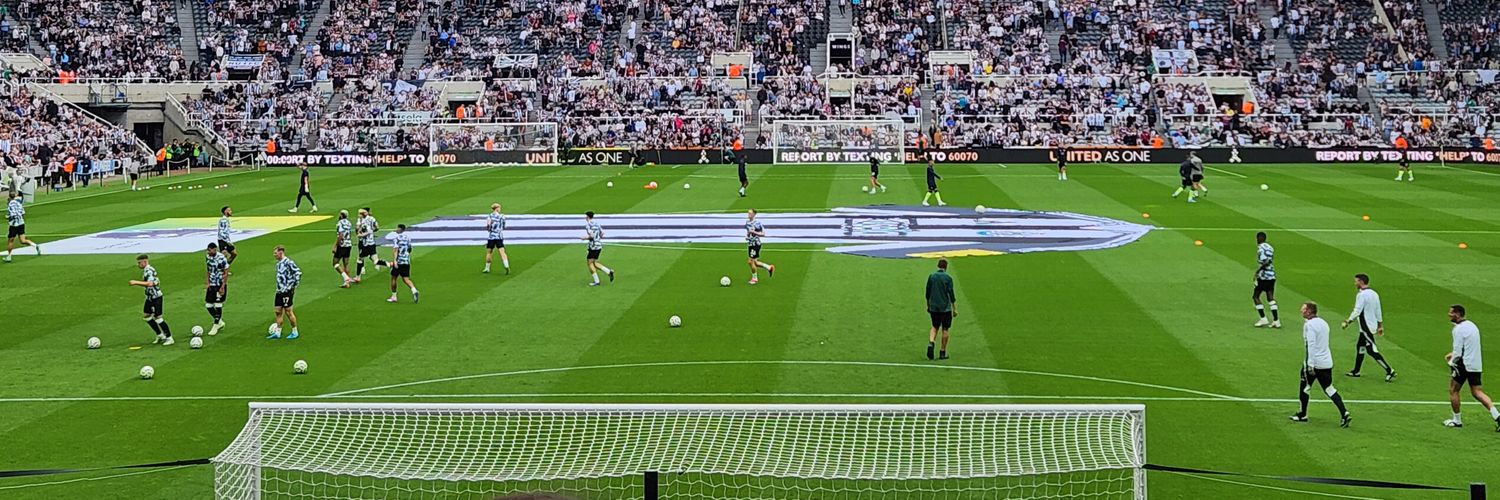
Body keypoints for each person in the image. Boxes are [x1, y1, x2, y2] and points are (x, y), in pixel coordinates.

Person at [1289, 302, 1353, 427]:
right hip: (1326, 363)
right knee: (1329, 389)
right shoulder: (1324, 323)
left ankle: (1303, 414)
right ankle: (1344, 413)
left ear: (1309, 311)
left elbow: (1311, 345)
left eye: (1303, 309)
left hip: (1314, 363)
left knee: (1305, 388)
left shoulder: (1309, 325)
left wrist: (1310, 364)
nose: (1301, 311)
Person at [1444, 305, 1499, 429]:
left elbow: (1458, 352)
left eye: (1451, 313)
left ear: (1458, 314)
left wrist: (1451, 361)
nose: (1449, 314)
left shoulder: (1458, 329)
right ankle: (1497, 416)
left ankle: (1457, 420)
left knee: (1453, 390)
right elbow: (1468, 346)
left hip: (1463, 364)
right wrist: (1453, 354)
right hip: (1475, 364)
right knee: (1477, 392)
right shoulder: (1472, 326)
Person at [1341, 274, 1396, 381]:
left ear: (1361, 282)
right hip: (1371, 325)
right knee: (1360, 347)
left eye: (1356, 281)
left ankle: (1390, 370)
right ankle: (1356, 371)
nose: (1355, 283)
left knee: (1371, 350)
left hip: (1366, 327)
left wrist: (1348, 321)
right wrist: (1380, 325)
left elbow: (1357, 310)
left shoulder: (1361, 295)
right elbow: (1378, 310)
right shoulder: (1374, 294)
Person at [130, 254, 175, 345]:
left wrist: (135, 282)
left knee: (158, 318)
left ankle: (169, 338)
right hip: (150, 297)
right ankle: (160, 335)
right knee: (147, 316)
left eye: (139, 263)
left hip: (156, 297)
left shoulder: (149, 270)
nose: (138, 265)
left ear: (144, 262)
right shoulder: (146, 270)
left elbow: (150, 284)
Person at [925, 258, 956, 360]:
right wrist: (954, 308)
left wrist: (928, 305)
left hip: (934, 307)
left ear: (938, 266)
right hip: (945, 308)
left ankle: (931, 342)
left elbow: (927, 292)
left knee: (934, 326)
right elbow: (951, 294)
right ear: (946, 267)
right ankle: (942, 352)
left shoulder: (932, 276)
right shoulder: (948, 278)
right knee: (945, 329)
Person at [269, 245, 301, 339]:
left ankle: (295, 331)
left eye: (275, 253)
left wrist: (293, 286)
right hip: (279, 291)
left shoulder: (289, 262)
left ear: (281, 252)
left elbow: (298, 273)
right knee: (278, 311)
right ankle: (277, 332)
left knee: (288, 311)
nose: (274, 255)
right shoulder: (278, 264)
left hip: (287, 291)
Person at [1253, 231, 1280, 328]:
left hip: (1264, 277)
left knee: (1256, 297)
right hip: (1271, 276)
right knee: (1270, 298)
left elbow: (1266, 262)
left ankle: (1263, 319)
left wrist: (1258, 271)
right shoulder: (1270, 247)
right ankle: (1276, 321)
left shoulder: (1261, 248)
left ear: (1259, 238)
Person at [387, 224, 420, 303]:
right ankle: (414, 290)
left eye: (397, 228)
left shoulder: (396, 238)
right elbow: (410, 248)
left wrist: (395, 261)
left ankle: (394, 296)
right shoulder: (408, 238)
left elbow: (395, 250)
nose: (396, 229)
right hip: (406, 261)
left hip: (399, 261)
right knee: (406, 278)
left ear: (399, 229)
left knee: (394, 278)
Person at [582, 211, 615, 286]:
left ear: (587, 217)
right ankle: (608, 272)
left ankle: (597, 281)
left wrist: (585, 238)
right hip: (598, 245)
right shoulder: (597, 224)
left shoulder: (588, 225)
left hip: (593, 247)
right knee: (594, 262)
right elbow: (602, 234)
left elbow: (591, 236)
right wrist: (597, 238)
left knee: (589, 263)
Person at [204, 242, 229, 336]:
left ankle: (216, 325)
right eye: (208, 250)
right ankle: (219, 321)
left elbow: (226, 272)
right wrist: (208, 282)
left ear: (215, 249)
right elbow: (208, 269)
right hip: (212, 284)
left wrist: (223, 286)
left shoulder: (221, 258)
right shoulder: (208, 257)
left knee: (218, 304)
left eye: (210, 250)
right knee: (208, 305)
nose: (209, 252)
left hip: (219, 283)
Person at [6, 192, 38, 262]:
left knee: (10, 241)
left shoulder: (10, 204)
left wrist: (8, 217)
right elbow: (23, 213)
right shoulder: (19, 203)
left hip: (14, 224)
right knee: (23, 240)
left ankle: (9, 256)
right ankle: (35, 245)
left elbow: (11, 215)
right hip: (21, 223)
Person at [745, 209, 775, 284]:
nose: (748, 215)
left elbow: (763, 234)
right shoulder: (747, 223)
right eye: (748, 213)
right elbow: (749, 232)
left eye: (750, 213)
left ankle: (754, 278)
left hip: (756, 244)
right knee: (755, 262)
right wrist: (747, 236)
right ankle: (769, 267)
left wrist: (754, 232)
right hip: (750, 244)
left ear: (754, 214)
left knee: (750, 262)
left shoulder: (757, 223)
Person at [483, 203, 510, 274]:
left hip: (491, 237)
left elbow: (488, 227)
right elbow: (504, 226)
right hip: (499, 236)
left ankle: (487, 268)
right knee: (502, 252)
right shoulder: (502, 216)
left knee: (489, 252)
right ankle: (506, 266)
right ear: (497, 208)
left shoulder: (489, 216)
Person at [355, 207, 380, 280]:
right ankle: (378, 263)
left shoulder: (362, 220)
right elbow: (377, 227)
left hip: (364, 241)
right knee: (372, 254)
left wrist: (360, 233)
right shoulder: (372, 218)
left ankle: (360, 271)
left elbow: (357, 228)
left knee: (360, 257)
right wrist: (371, 231)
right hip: (371, 241)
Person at [333, 210, 355, 287]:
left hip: (342, 245)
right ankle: (347, 283)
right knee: (346, 264)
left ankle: (346, 278)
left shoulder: (339, 223)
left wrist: (336, 245)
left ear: (341, 215)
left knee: (335, 263)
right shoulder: (349, 223)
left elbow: (341, 235)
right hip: (348, 244)